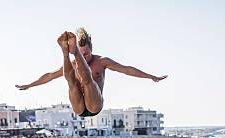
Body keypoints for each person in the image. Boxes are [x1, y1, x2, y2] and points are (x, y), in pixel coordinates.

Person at [16, 28, 167, 118]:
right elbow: (49, 76)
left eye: (85, 54)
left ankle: (70, 51)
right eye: (80, 54)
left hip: (94, 106)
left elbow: (126, 69)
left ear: (91, 49)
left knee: (87, 79)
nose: (84, 57)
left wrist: (150, 76)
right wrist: (30, 85)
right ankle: (65, 52)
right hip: (79, 108)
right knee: (71, 82)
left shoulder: (101, 61)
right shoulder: (72, 65)